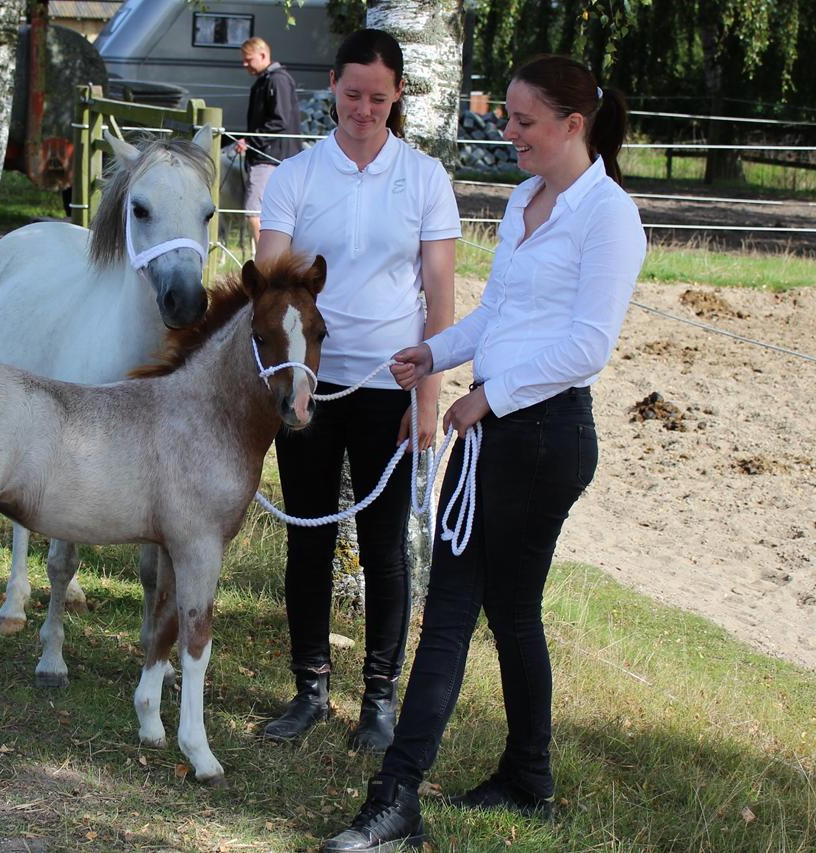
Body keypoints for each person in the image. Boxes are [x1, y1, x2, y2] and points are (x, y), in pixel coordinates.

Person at [320, 55, 647, 852]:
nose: (508, 134)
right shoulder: (526, 200)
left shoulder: (609, 216)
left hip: (541, 437)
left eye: (523, 122)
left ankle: (395, 799)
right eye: (505, 117)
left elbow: (587, 346)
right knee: (511, 610)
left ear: (574, 125)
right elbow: (496, 316)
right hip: (503, 430)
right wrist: (432, 353)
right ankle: (527, 776)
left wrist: (484, 399)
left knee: (454, 612)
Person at [255, 29, 460, 754]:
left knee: (384, 545)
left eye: (378, 97)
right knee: (308, 535)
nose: (364, 109)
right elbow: (271, 283)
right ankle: (309, 686)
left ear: (398, 93)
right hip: (311, 387)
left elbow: (440, 296)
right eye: (351, 94)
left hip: (390, 385)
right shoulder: (296, 176)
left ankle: (379, 697)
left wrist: (428, 396)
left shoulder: (426, 179)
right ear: (332, 88)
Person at [235, 37, 303, 247]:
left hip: (270, 157)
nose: (244, 64)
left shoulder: (276, 81)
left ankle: (266, 265)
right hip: (271, 155)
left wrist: (251, 141)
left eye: (248, 59)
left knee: (254, 212)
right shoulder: (267, 81)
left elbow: (279, 120)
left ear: (263, 55)